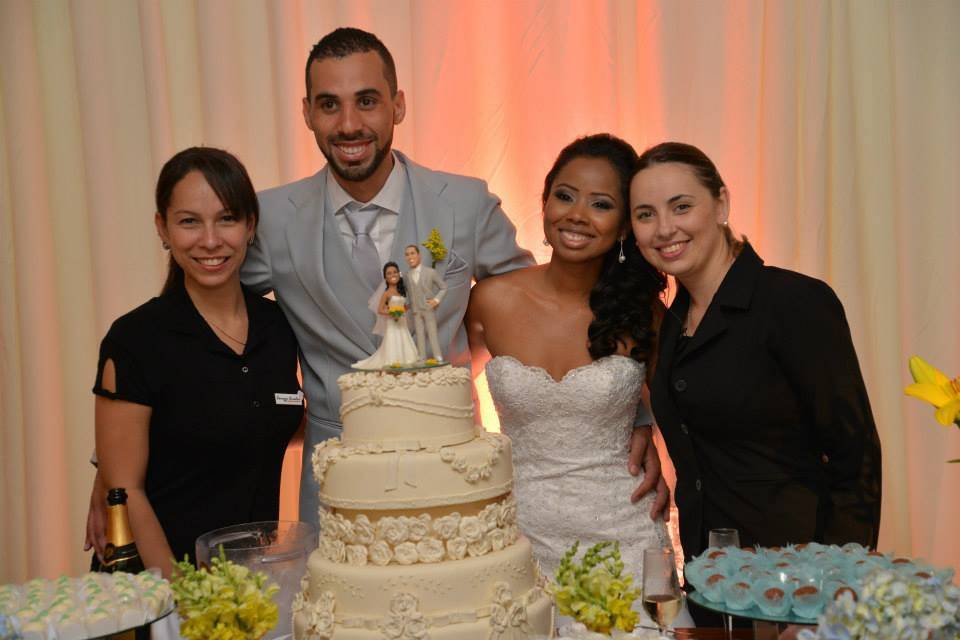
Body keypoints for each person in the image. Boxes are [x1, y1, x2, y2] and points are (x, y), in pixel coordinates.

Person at [240, 26, 617, 527]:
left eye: (367, 101)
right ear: (306, 112)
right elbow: (205, 320)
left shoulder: (465, 203)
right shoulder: (270, 217)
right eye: (329, 105)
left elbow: (544, 309)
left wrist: (626, 417)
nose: (349, 124)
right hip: (337, 478)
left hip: (451, 465)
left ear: (397, 105)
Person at [629, 142, 882, 619]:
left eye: (681, 206)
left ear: (721, 204)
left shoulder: (794, 302)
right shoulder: (674, 320)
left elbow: (857, 459)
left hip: (794, 584)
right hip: (711, 582)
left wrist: (831, 593)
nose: (664, 229)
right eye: (646, 214)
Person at [467, 134, 687, 627]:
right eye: (565, 196)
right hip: (518, 535)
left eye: (602, 204)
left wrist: (643, 421)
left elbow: (683, 407)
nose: (577, 215)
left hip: (625, 527)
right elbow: (447, 394)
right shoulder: (490, 302)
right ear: (544, 201)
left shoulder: (643, 314)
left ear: (626, 224)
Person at [85, 147, 302, 576]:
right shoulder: (135, 340)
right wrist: (184, 599)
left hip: (246, 587)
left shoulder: (278, 326)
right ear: (162, 229)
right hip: (158, 593)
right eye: (189, 221)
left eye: (227, 218)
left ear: (250, 226)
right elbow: (126, 489)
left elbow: (264, 417)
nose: (209, 240)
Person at [352, 261, 420, 369]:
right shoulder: (386, 293)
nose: (393, 275)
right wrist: (393, 312)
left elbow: (403, 308)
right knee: (393, 341)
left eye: (395, 272)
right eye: (389, 273)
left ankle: (405, 362)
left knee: (404, 339)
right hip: (392, 322)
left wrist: (410, 306)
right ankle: (393, 363)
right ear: (385, 277)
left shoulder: (401, 291)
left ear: (399, 273)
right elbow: (380, 310)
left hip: (402, 322)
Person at [403, 244, 447, 361]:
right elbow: (409, 293)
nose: (409, 256)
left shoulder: (430, 272)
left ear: (419, 255)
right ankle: (422, 356)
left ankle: (438, 356)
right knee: (419, 335)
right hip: (416, 311)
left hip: (428, 308)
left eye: (412, 253)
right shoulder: (407, 276)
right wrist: (406, 305)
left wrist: (436, 300)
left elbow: (444, 287)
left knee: (432, 333)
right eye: (407, 254)